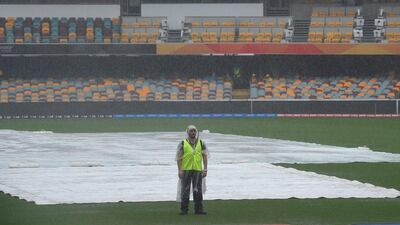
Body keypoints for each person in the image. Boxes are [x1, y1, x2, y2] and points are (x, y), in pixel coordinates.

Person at [176, 125, 208, 215]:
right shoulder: (183, 143)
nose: (193, 133)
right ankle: (184, 209)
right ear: (187, 132)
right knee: (185, 189)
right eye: (191, 131)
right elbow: (179, 157)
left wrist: (205, 169)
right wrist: (180, 170)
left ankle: (198, 209)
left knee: (197, 190)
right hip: (186, 169)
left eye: (194, 131)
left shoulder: (201, 143)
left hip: (197, 169)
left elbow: (205, 157)